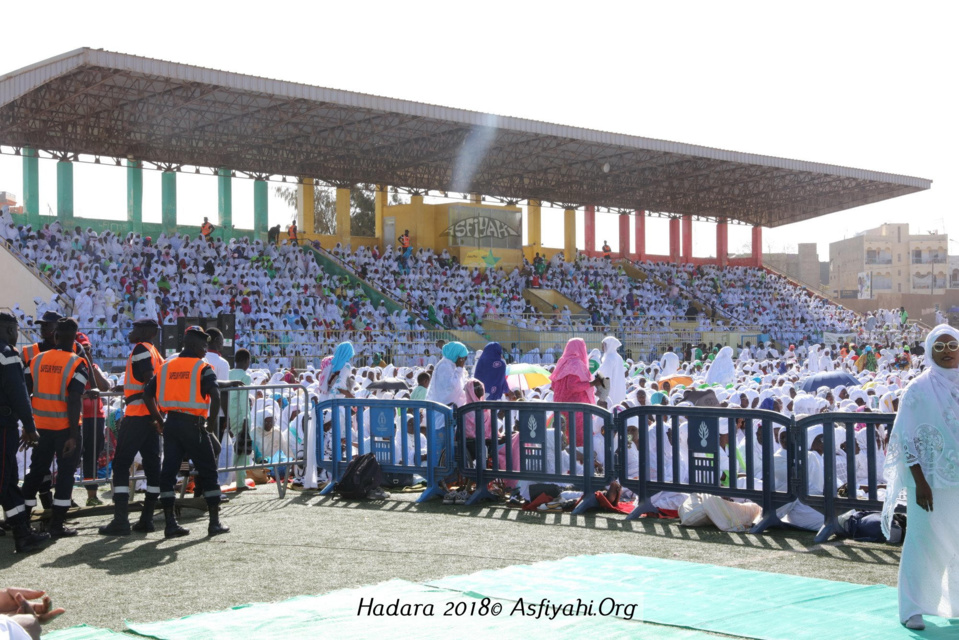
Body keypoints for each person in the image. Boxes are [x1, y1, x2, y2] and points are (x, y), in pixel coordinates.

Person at [882, 323, 959, 630]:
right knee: (921, 543)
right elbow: (904, 437)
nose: (946, 353)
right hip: (929, 482)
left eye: (952, 345)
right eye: (938, 347)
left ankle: (954, 604)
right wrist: (920, 482)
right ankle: (911, 608)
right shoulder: (918, 388)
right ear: (929, 351)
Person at [144, 325, 229, 538]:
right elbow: (216, 396)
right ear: (191, 344)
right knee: (208, 471)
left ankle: (170, 524)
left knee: (168, 473)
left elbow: (147, 394)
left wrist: (159, 419)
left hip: (171, 424)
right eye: (202, 343)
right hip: (195, 425)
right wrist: (210, 423)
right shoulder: (202, 367)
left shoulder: (166, 366)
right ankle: (214, 522)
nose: (205, 348)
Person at [21, 318, 89, 538]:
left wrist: (28, 425)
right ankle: (57, 525)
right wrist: (72, 434)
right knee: (66, 475)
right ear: (75, 339)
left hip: (40, 428)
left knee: (35, 473)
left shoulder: (37, 360)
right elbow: (75, 399)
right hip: (65, 430)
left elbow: (26, 393)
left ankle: (22, 521)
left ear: (56, 336)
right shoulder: (78, 363)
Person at [99, 318, 165, 536]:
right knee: (153, 467)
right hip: (148, 416)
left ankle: (120, 521)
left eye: (136, 328)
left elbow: (148, 384)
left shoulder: (140, 349)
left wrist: (156, 417)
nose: (131, 331)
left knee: (120, 465)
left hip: (138, 415)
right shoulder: (154, 352)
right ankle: (146, 519)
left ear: (148, 331)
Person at [0, 313, 50, 554]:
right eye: (16, 329)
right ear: (10, 330)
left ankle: (22, 534)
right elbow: (19, 394)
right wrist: (30, 427)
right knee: (3, 480)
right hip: (2, 424)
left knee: (8, 482)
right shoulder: (7, 355)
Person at [75, 332, 112, 506]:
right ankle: (66, 498)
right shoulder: (70, 366)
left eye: (87, 348)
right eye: (81, 348)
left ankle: (92, 496)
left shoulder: (93, 366)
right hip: (76, 418)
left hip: (95, 418)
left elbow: (105, 386)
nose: (84, 351)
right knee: (71, 457)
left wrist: (89, 363)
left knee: (92, 455)